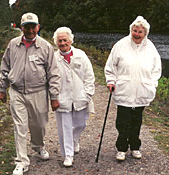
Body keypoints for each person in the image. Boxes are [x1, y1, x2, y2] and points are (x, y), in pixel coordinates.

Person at [0, 12, 61, 175]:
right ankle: (21, 161)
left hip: (38, 92)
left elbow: (53, 73)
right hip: (17, 92)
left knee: (39, 125)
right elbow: (5, 67)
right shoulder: (13, 44)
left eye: (33, 26)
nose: (30, 30)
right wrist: (2, 89)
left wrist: (54, 96)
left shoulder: (45, 47)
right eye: (27, 27)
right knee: (20, 127)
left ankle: (38, 147)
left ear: (38, 27)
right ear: (21, 28)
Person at [104, 16, 161, 161]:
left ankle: (135, 146)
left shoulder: (151, 49)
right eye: (135, 30)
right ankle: (121, 148)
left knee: (136, 121)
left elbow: (156, 70)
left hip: (142, 91)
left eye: (140, 32)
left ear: (145, 33)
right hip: (124, 90)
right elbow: (111, 66)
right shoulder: (121, 45)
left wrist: (152, 85)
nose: (137, 34)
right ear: (131, 30)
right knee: (122, 122)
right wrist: (111, 81)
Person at [53, 27, 95, 167]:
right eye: (60, 41)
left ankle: (75, 139)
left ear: (71, 40)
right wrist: (54, 97)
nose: (63, 43)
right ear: (56, 42)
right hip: (62, 98)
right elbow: (50, 79)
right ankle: (67, 155)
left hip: (80, 97)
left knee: (80, 124)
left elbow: (90, 76)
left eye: (65, 40)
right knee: (64, 128)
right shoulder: (53, 58)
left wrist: (88, 94)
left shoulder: (81, 55)